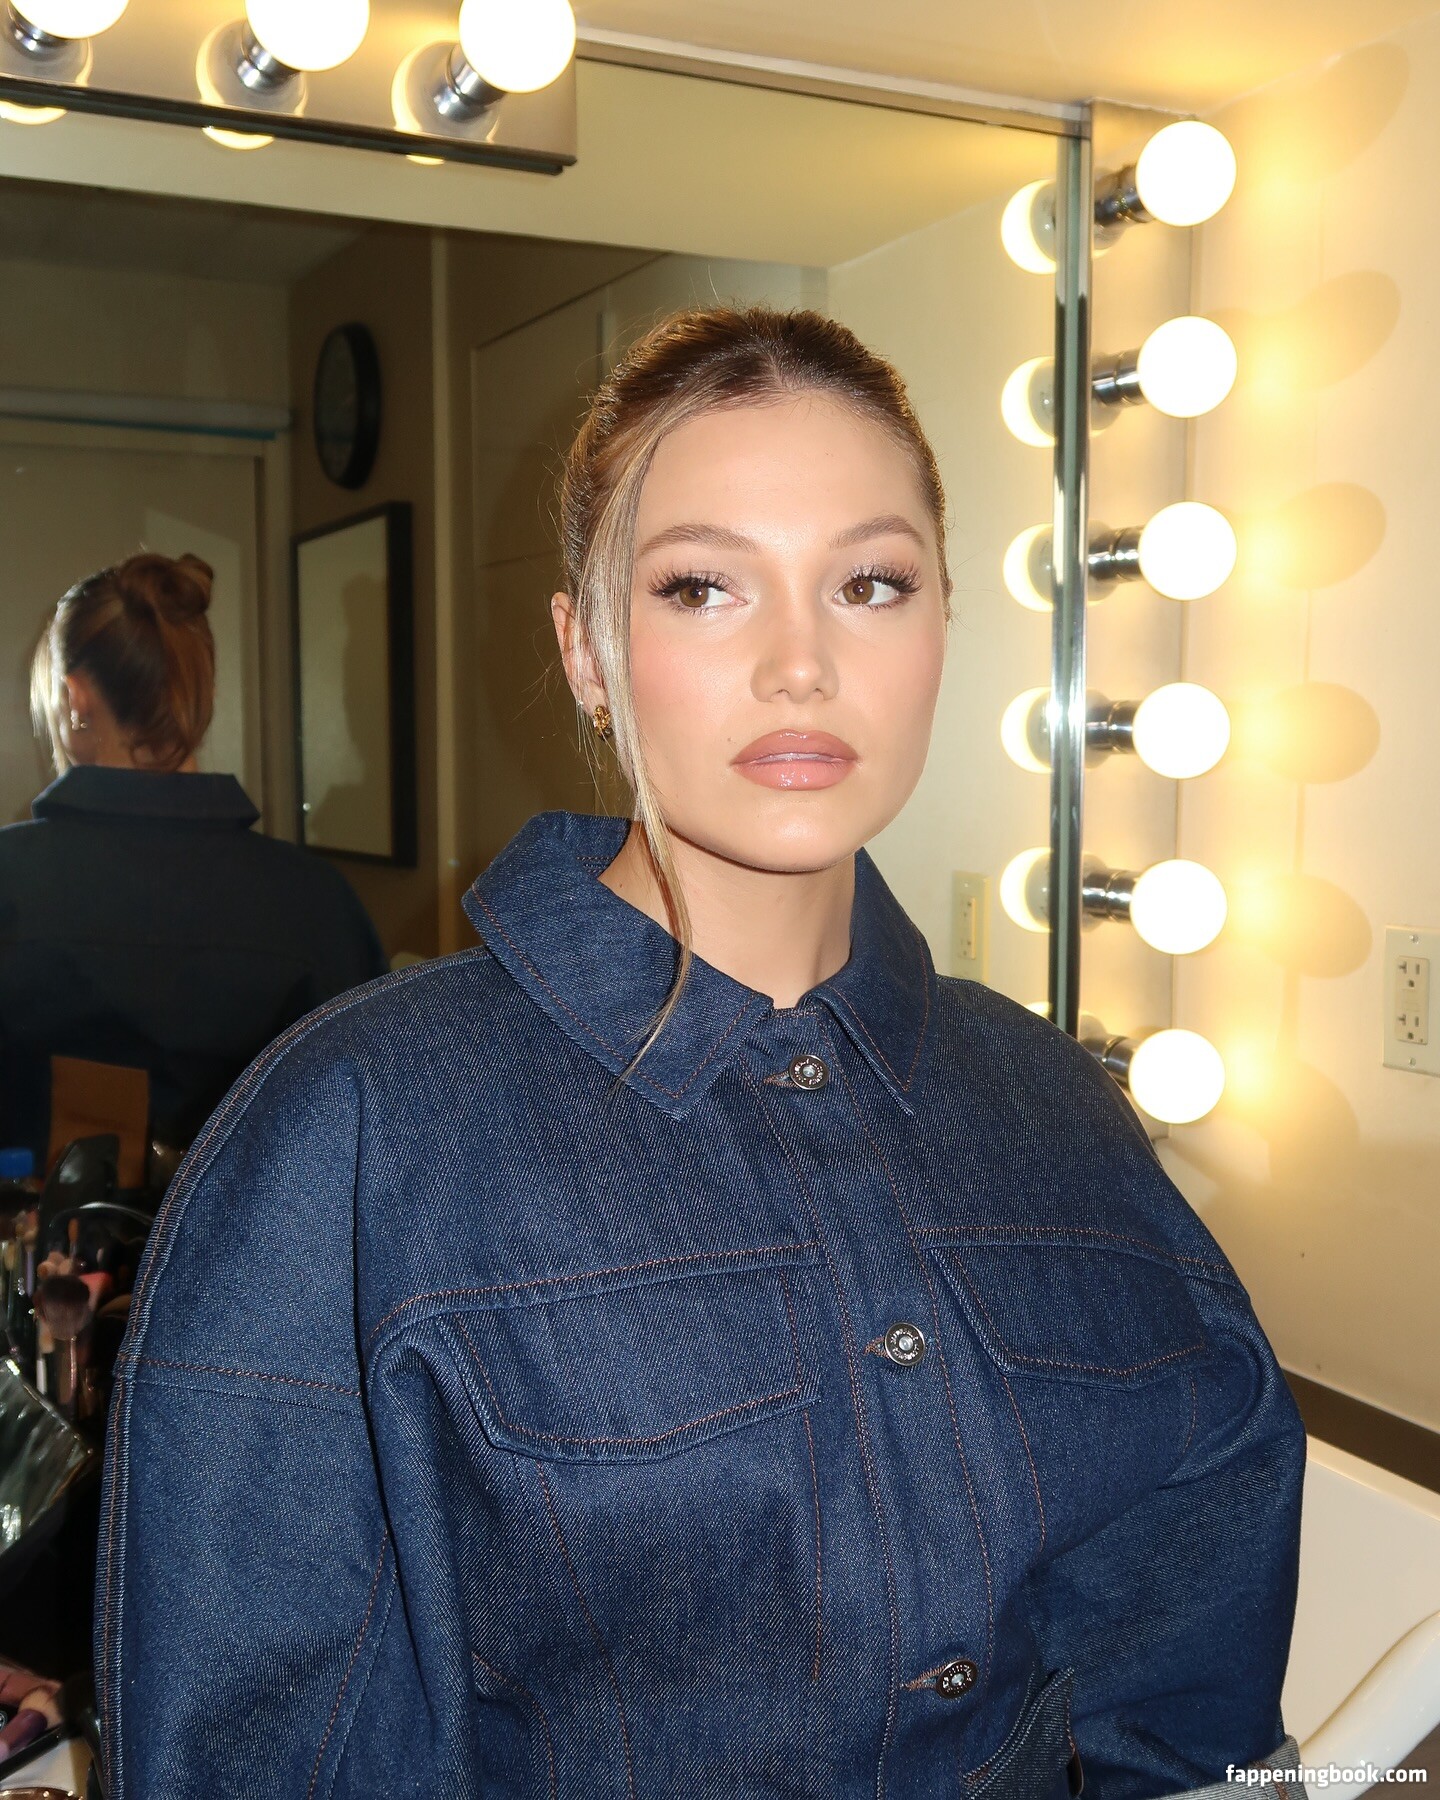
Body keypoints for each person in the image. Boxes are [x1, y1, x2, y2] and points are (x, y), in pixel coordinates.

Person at [97, 310, 1310, 1800]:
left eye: (870, 583)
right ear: (587, 655)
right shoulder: (354, 1131)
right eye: (703, 587)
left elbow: (1192, 1667)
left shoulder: (1056, 1106)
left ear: (945, 624)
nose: (802, 665)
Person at [0, 551, 387, 1166]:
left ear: (75, 699)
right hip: (261, 1230)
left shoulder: (9, 883)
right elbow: (380, 1139)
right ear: (196, 692)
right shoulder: (318, 905)